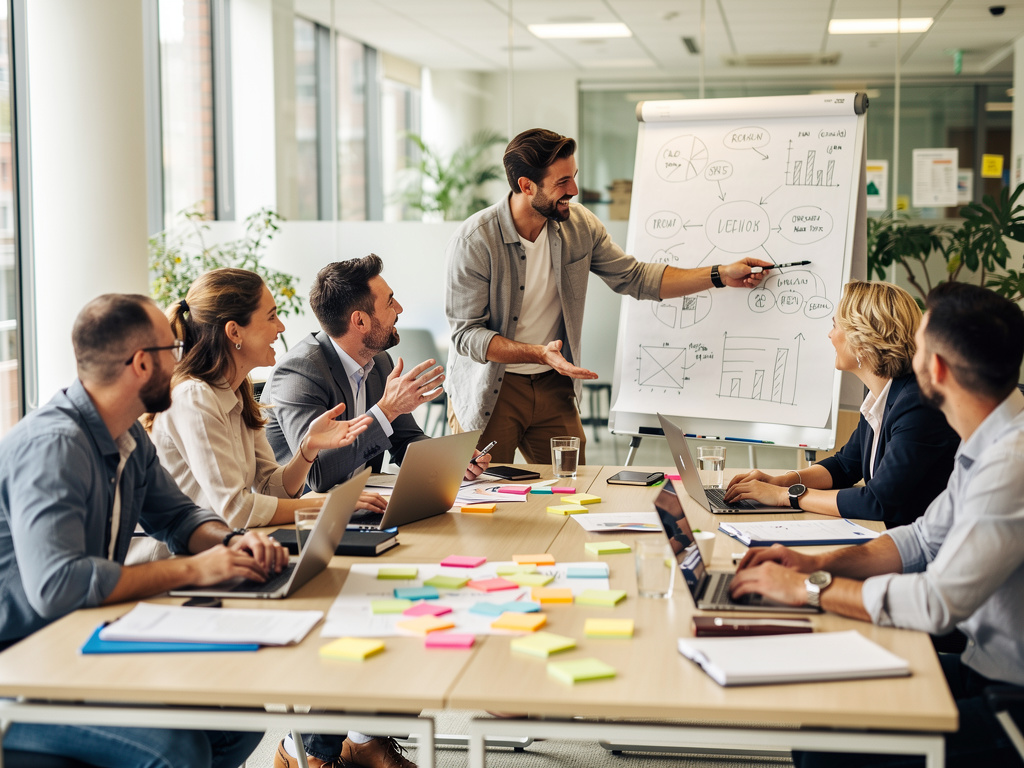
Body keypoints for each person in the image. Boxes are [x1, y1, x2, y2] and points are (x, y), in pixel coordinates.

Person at [730, 282, 1024, 768]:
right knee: (825, 714)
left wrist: (809, 587)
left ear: (939, 369)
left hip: (1011, 703)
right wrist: (814, 563)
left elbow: (934, 603)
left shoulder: (1008, 464)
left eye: (920, 342)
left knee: (827, 751)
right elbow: (921, 540)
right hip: (983, 665)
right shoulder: (988, 440)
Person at [0, 293, 288, 767]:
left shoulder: (128, 434)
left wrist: (234, 544)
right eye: (172, 352)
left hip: (81, 639)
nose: (181, 363)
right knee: (177, 750)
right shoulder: (53, 448)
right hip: (22, 664)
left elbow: (178, 517)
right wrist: (194, 571)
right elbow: (58, 586)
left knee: (240, 713)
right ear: (139, 364)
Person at [444, 127, 772, 465]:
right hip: (492, 387)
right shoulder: (475, 241)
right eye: (561, 182)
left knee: (569, 488)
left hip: (553, 384)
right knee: (482, 494)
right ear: (526, 185)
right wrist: (539, 353)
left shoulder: (578, 224)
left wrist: (720, 275)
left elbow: (635, 277)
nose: (573, 189)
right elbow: (467, 335)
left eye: (573, 177)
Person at [149, 267, 372, 530]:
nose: (281, 327)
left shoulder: (236, 392)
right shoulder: (194, 398)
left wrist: (308, 447)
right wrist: (331, 503)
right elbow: (237, 510)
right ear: (234, 332)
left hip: (225, 549)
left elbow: (270, 488)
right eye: (271, 317)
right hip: (179, 560)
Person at [724, 280, 960, 527]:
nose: (830, 334)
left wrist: (786, 496)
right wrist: (780, 482)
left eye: (835, 325)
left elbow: (877, 502)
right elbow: (845, 466)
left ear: (861, 339)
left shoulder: (918, 405)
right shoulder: (884, 395)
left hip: (919, 552)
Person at [263, 254, 490, 501]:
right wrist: (386, 410)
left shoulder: (379, 361)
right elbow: (316, 476)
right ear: (360, 320)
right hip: (305, 517)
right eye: (390, 302)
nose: (400, 309)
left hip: (364, 503)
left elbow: (405, 440)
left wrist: (451, 460)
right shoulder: (300, 373)